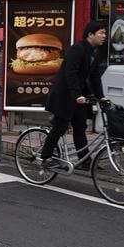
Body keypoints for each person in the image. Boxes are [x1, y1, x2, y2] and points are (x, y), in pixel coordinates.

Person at [40, 21, 107, 170]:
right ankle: (45, 157)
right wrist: (77, 95)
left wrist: (101, 96)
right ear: (90, 34)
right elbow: (70, 73)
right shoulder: (77, 49)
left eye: (104, 33)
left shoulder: (96, 52)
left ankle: (85, 161)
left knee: (80, 127)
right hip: (65, 94)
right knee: (60, 126)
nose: (104, 36)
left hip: (79, 95)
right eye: (101, 33)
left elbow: (95, 76)